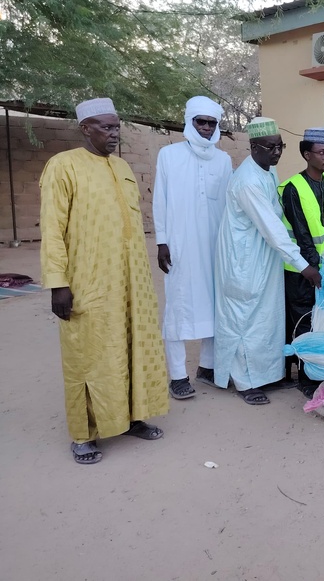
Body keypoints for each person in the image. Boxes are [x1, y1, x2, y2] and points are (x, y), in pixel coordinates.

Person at [40, 98, 168, 464]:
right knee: (89, 353)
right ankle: (84, 434)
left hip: (131, 280)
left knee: (133, 345)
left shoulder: (123, 166)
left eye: (116, 127)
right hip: (87, 280)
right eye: (105, 127)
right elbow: (52, 230)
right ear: (85, 128)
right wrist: (57, 283)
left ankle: (132, 417)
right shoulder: (63, 166)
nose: (113, 134)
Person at [213, 118, 321, 406]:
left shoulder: (268, 171)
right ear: (253, 147)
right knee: (245, 316)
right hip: (244, 258)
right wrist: (303, 265)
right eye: (270, 147)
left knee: (266, 318)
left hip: (264, 256)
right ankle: (244, 382)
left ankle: (265, 375)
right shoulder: (247, 181)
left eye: (280, 146)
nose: (277, 152)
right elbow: (272, 228)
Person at [153, 96, 232, 400]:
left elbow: (227, 205)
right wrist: (161, 240)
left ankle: (208, 368)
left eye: (212, 123)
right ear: (189, 121)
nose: (206, 128)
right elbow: (160, 199)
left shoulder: (224, 160)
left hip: (214, 244)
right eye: (201, 122)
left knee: (215, 304)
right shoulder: (169, 155)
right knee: (179, 308)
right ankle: (177, 376)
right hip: (180, 245)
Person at [280, 127, 324, 399]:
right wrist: (314, 268)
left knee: (320, 321)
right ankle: (304, 377)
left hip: (322, 266)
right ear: (307, 155)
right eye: (322, 153)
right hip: (300, 270)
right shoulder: (293, 188)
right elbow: (302, 233)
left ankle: (316, 368)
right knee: (303, 320)